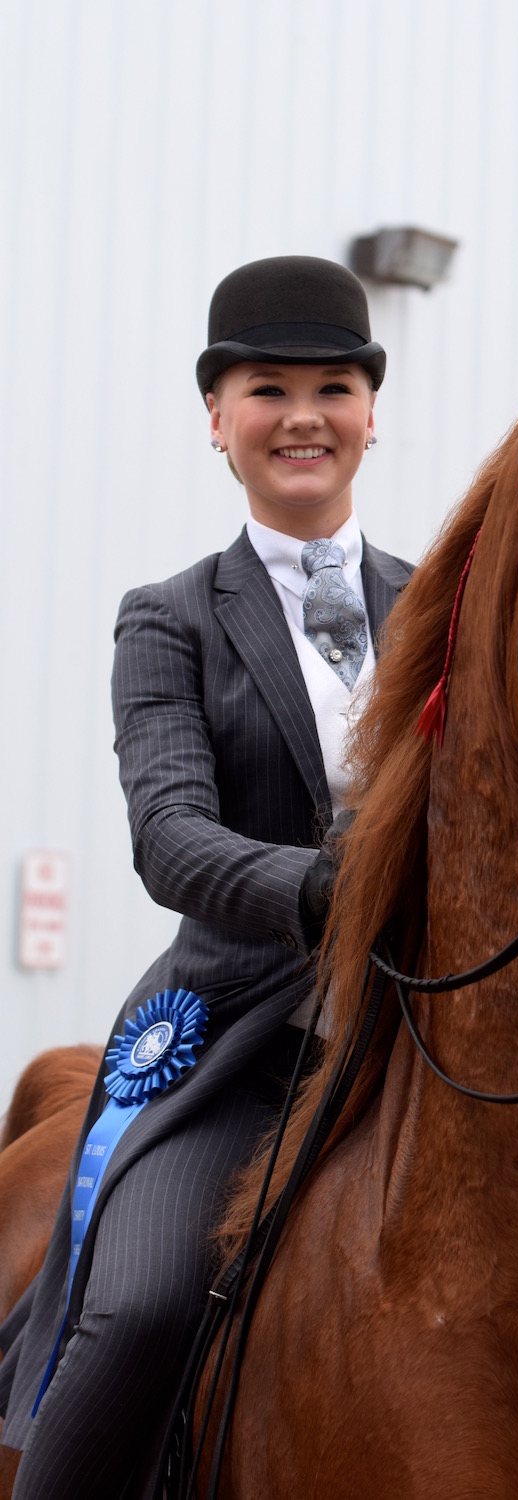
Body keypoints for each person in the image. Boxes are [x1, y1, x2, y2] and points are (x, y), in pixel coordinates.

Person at [0, 256, 413, 1498]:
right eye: (266, 389)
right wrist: (333, 891)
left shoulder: (443, 606)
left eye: (332, 386)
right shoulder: (168, 618)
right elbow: (171, 838)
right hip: (243, 1036)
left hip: (427, 1024)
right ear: (218, 421)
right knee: (137, 1311)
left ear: (370, 415)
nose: (302, 415)